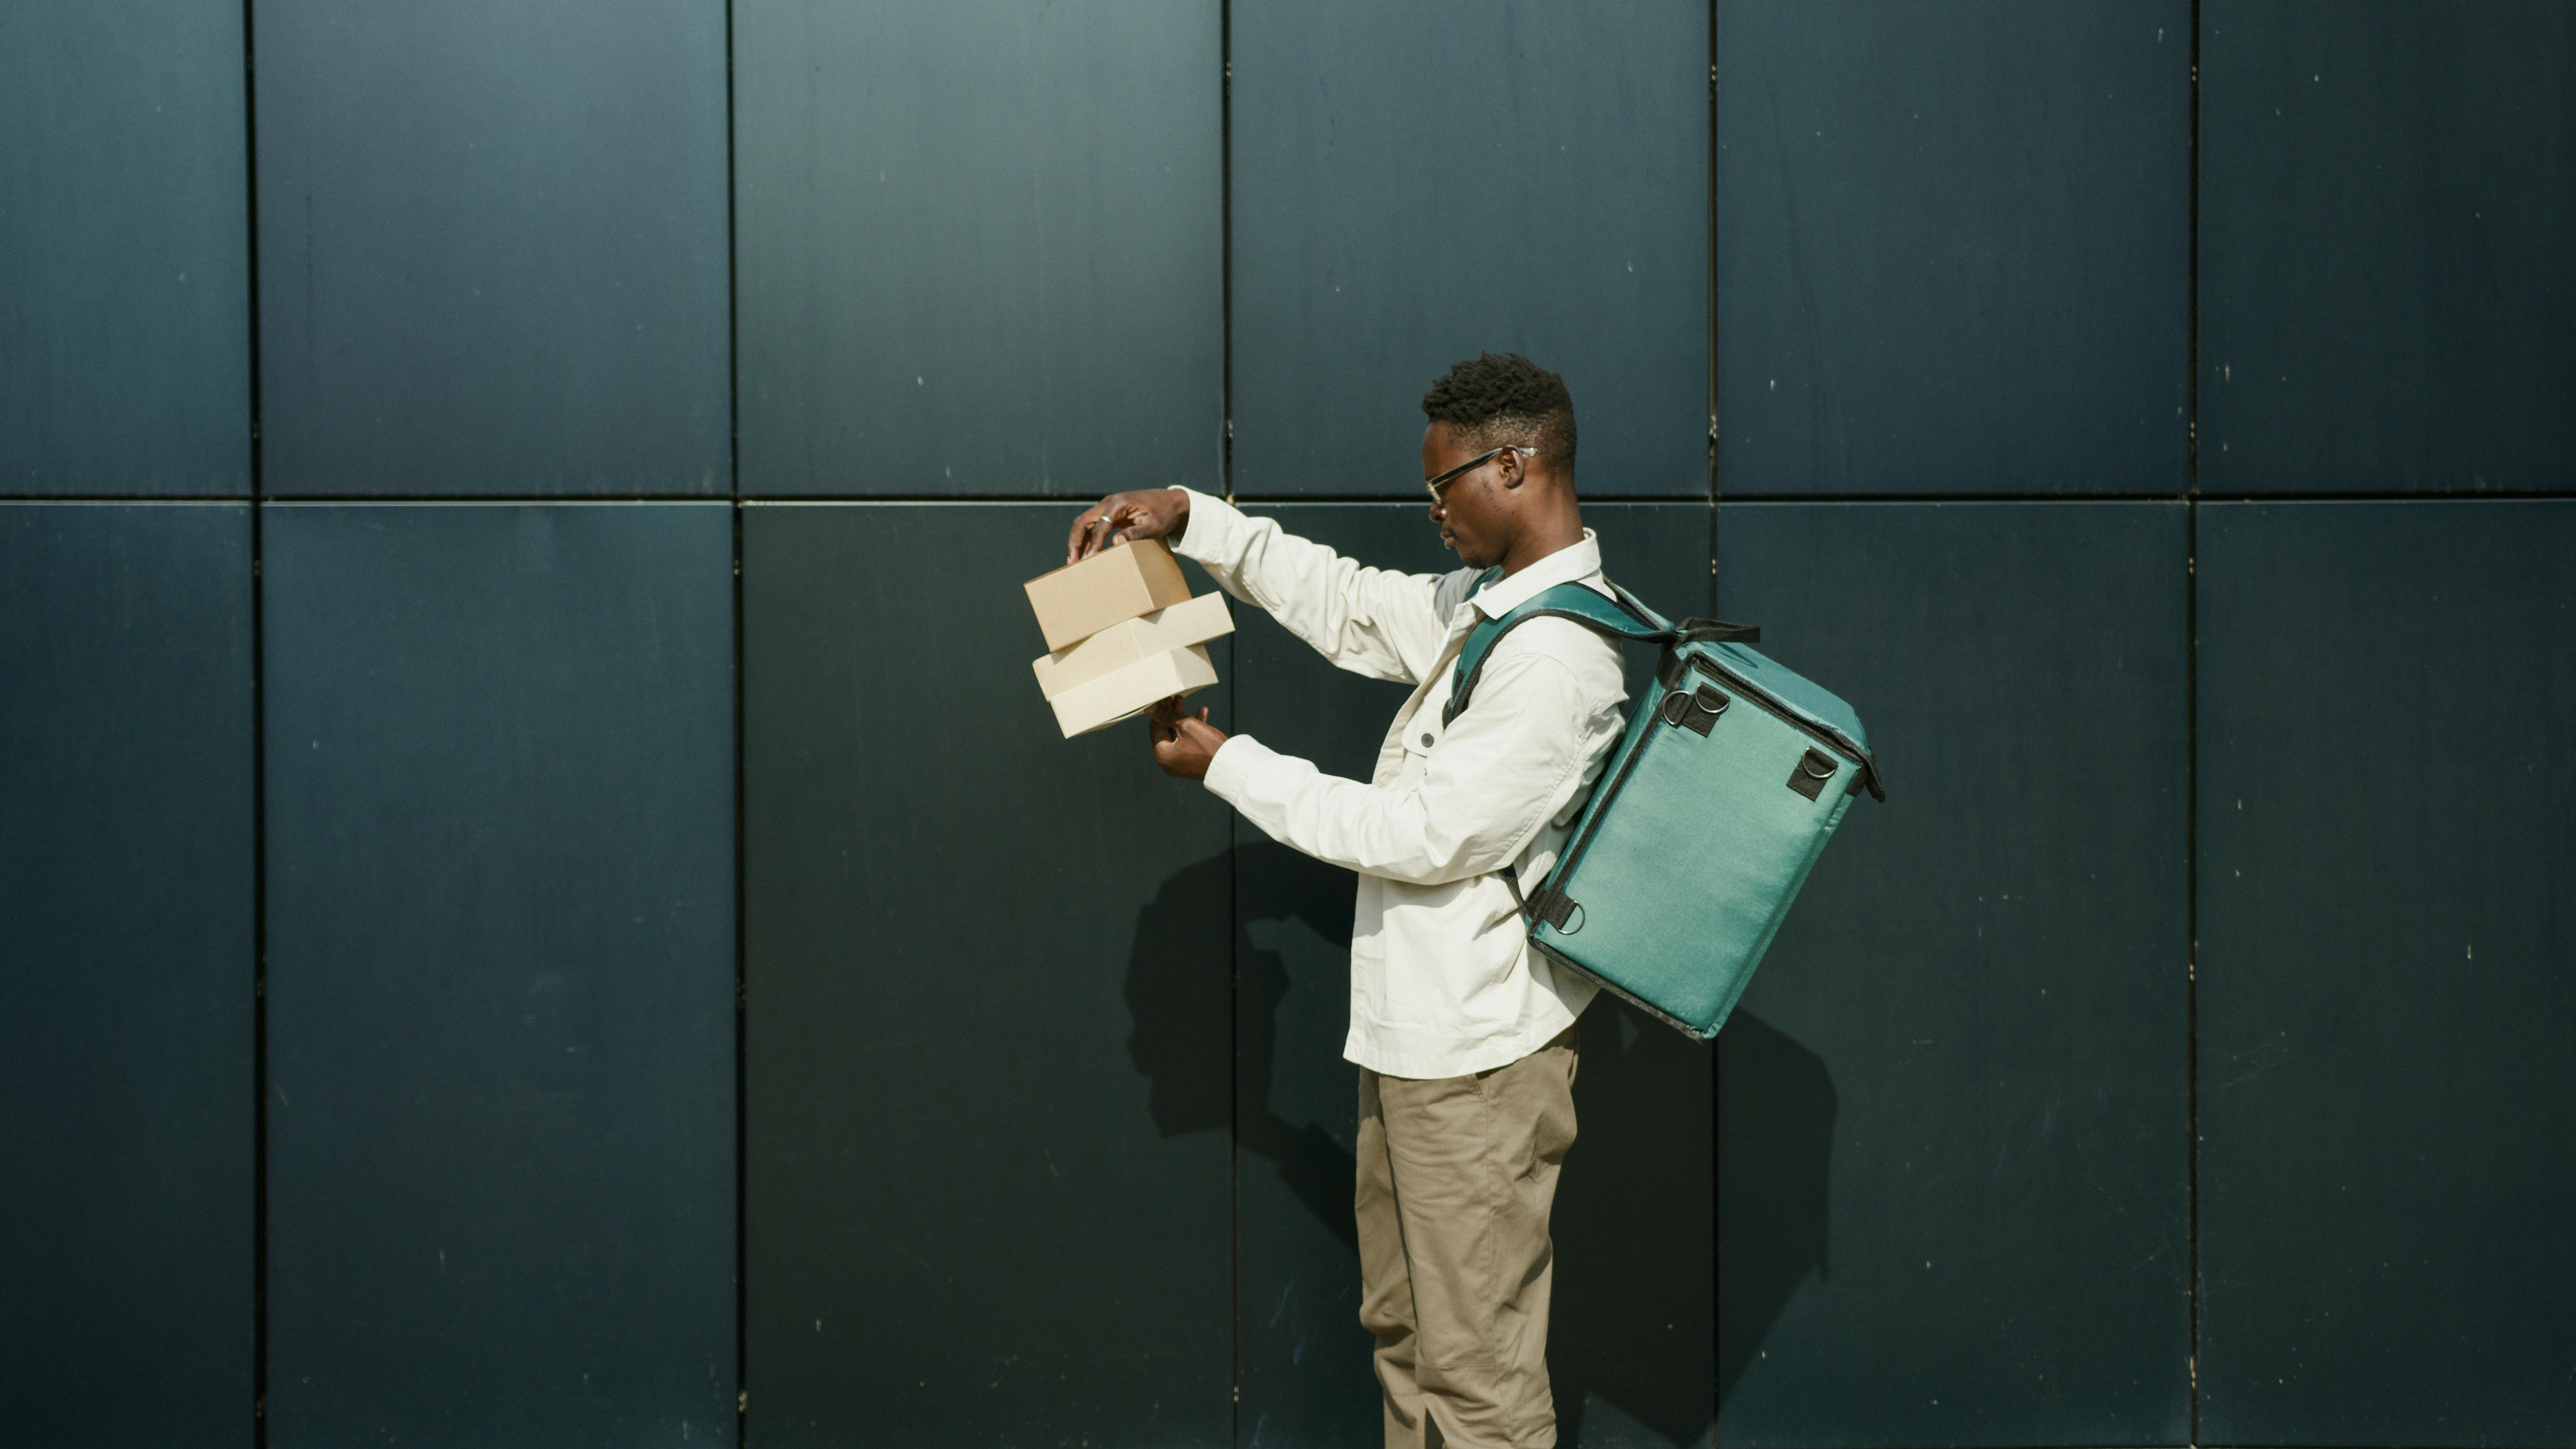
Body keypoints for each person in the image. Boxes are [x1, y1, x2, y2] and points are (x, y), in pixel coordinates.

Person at [1066, 352, 1628, 1449]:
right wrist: (1196, 520)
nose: (1432, 511)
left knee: (1478, 1379)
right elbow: (1355, 606)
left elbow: (1420, 837)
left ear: (1513, 466)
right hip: (1424, 1051)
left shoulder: (1558, 656)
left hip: (1475, 1065)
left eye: (1443, 486)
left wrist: (1227, 765)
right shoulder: (1495, 612)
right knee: (1410, 1336)